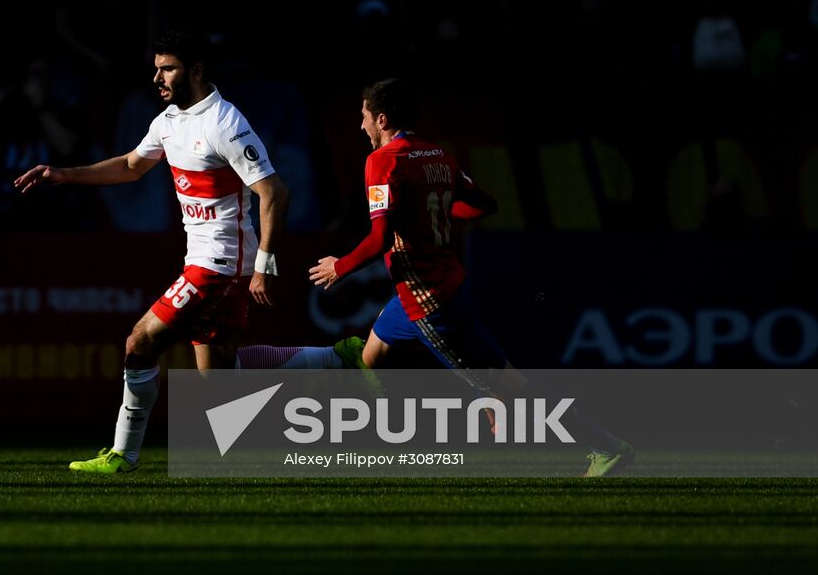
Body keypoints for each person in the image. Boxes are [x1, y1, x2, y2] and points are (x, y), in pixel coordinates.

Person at [242, 77, 633, 477]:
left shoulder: (382, 161)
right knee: (371, 355)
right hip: (431, 288)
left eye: (363, 117)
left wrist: (339, 267)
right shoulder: (437, 154)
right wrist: (437, 216)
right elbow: (484, 204)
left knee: (511, 389)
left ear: (381, 118)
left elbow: (379, 238)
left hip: (427, 300)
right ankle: (395, 431)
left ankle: (605, 445)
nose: (360, 127)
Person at [14, 30, 289, 474]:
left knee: (139, 343)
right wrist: (64, 175)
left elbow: (273, 191)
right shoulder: (168, 121)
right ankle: (341, 356)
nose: (157, 77)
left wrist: (264, 266)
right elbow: (130, 166)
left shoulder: (225, 123)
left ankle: (123, 454)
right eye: (156, 68)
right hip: (204, 260)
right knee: (220, 385)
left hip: (220, 263)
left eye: (168, 68)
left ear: (196, 71)